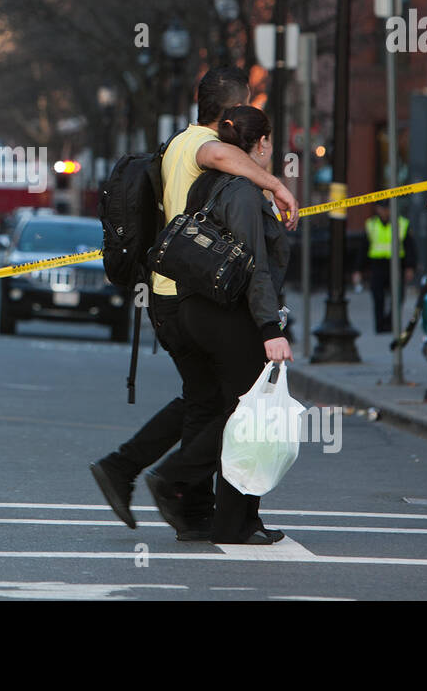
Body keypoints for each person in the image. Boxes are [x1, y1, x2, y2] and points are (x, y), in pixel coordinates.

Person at [89, 67, 297, 536]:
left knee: (201, 404)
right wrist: (276, 184)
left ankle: (159, 489)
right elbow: (221, 153)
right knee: (236, 405)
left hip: (171, 296)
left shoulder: (178, 145)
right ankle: (179, 483)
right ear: (230, 112)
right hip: (194, 293)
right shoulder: (199, 146)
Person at [144, 105, 292, 543]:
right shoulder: (243, 192)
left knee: (230, 410)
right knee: (246, 416)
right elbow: (255, 266)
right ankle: (183, 482)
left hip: (193, 308)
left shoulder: (209, 182)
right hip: (225, 314)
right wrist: (271, 329)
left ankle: (227, 518)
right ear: (261, 144)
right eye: (270, 141)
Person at [352, 200, 415, 334]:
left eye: (388, 208)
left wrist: (410, 267)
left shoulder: (402, 224)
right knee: (378, 297)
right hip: (378, 265)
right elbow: (363, 249)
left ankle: (391, 323)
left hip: (397, 264)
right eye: (383, 208)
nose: (386, 212)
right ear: (377, 209)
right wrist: (358, 270)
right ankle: (380, 326)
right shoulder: (371, 225)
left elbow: (410, 247)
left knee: (397, 297)